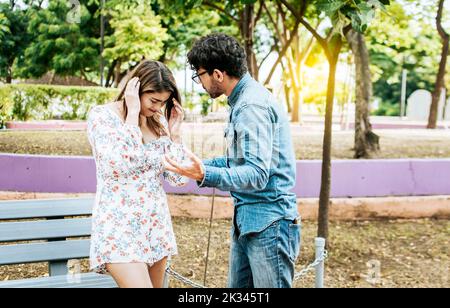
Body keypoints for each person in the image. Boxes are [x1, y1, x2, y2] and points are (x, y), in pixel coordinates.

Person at [164, 34, 301, 288]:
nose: (199, 82)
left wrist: (205, 174)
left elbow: (257, 174)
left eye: (199, 75)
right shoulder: (243, 101)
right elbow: (239, 162)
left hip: (269, 225)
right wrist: (199, 167)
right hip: (250, 222)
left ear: (217, 74)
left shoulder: (251, 106)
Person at [87, 60, 189, 288]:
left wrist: (175, 135)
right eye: (153, 100)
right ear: (135, 90)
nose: (157, 108)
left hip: (155, 227)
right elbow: (120, 163)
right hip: (120, 228)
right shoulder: (103, 117)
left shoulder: (158, 123)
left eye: (163, 102)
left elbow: (179, 178)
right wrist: (132, 113)